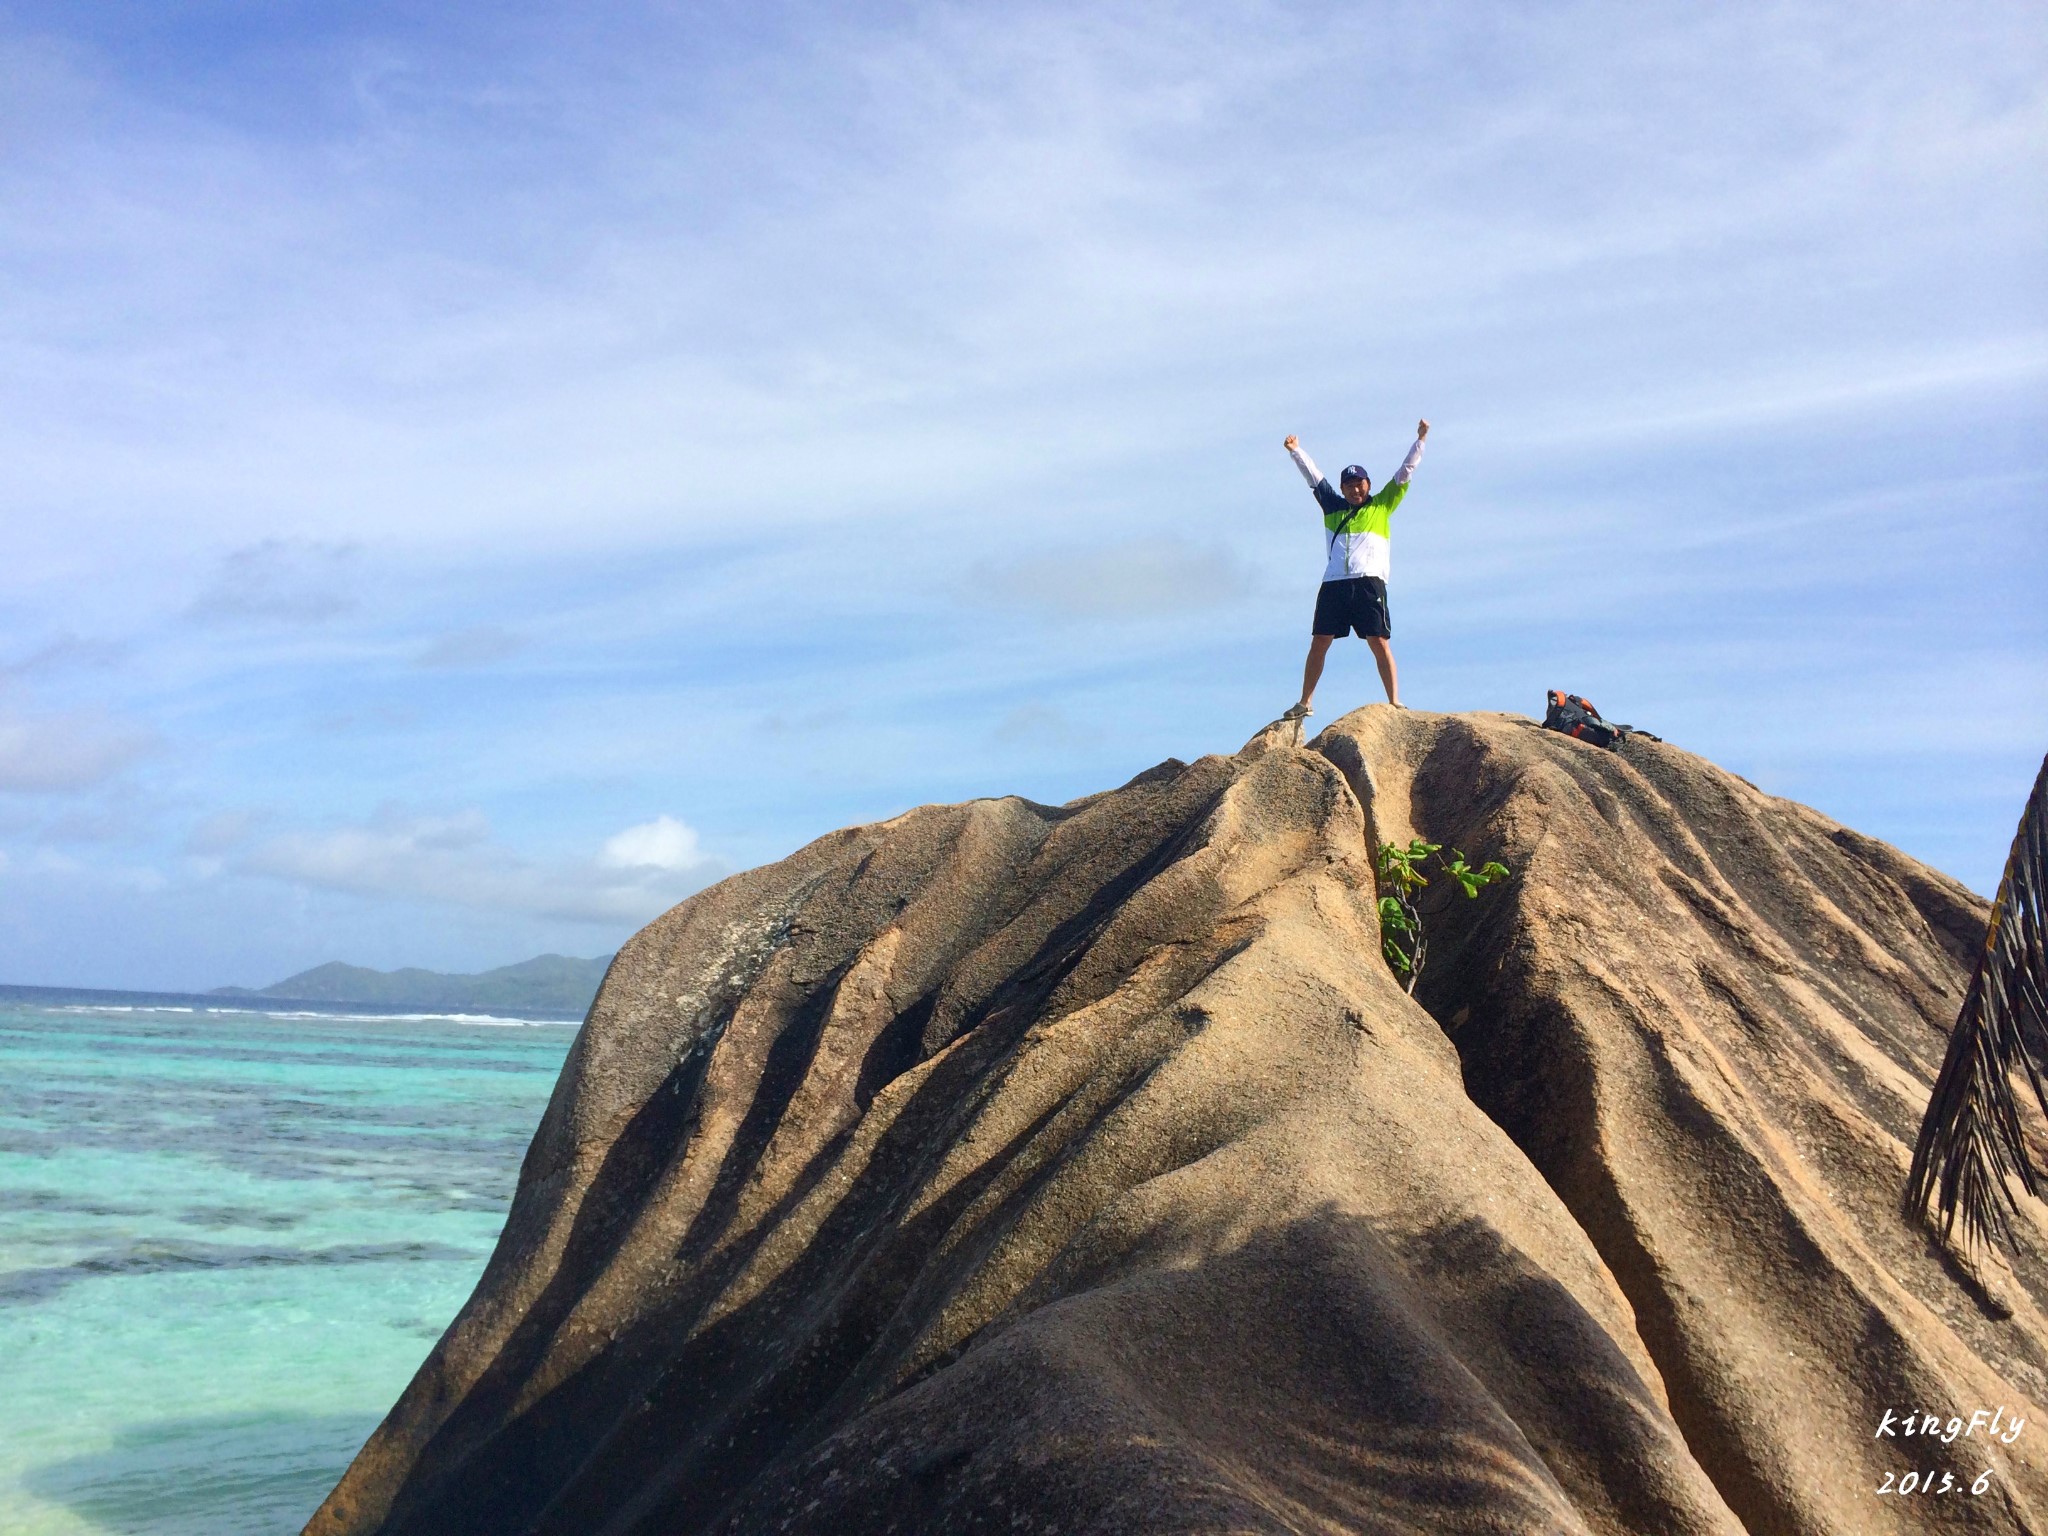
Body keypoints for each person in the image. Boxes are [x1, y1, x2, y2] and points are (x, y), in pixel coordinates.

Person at [1279, 419, 1429, 719]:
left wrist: (1421, 440)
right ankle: (1305, 702)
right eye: (1348, 485)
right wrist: (1296, 451)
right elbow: (1314, 478)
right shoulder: (1333, 507)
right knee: (1320, 641)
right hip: (1334, 582)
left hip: (1368, 582)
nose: (1354, 489)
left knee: (1378, 640)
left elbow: (1405, 472)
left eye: (1359, 484)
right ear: (1343, 489)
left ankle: (1394, 702)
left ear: (1368, 485)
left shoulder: (1382, 505)